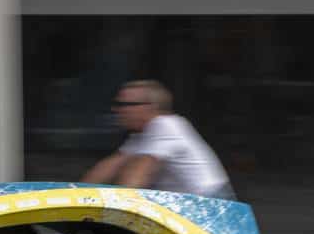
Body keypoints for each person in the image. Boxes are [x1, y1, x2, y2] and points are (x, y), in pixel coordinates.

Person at [83, 79, 235, 200]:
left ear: (149, 107)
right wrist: (78, 195)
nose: (116, 110)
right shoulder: (142, 135)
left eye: (124, 105)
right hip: (189, 204)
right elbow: (108, 167)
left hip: (210, 205)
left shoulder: (165, 125)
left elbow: (136, 178)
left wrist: (109, 207)